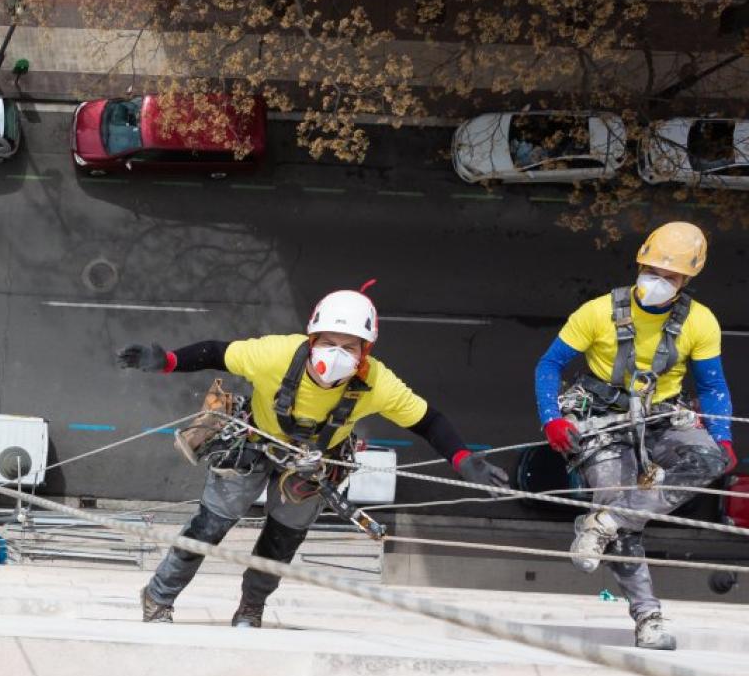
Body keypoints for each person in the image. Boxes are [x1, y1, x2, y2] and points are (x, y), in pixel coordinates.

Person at [117, 288, 507, 628]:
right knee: (209, 526)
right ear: (312, 338)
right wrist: (167, 360)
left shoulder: (377, 384)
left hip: (311, 462)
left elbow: (429, 420)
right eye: (328, 342)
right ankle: (158, 596)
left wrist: (462, 459)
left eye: (349, 346)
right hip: (256, 442)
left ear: (364, 352)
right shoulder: (274, 354)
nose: (336, 353)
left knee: (281, 540)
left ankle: (251, 610)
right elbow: (217, 353)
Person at [535, 221, 733, 650]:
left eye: (671, 276)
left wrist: (723, 436)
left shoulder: (700, 323)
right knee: (622, 514)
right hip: (602, 420)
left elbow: (713, 387)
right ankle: (648, 617)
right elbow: (549, 367)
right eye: (653, 270)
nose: (659, 281)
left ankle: (603, 522)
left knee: (709, 459)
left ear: (687, 280)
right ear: (639, 264)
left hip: (661, 418)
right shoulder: (597, 312)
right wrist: (553, 419)